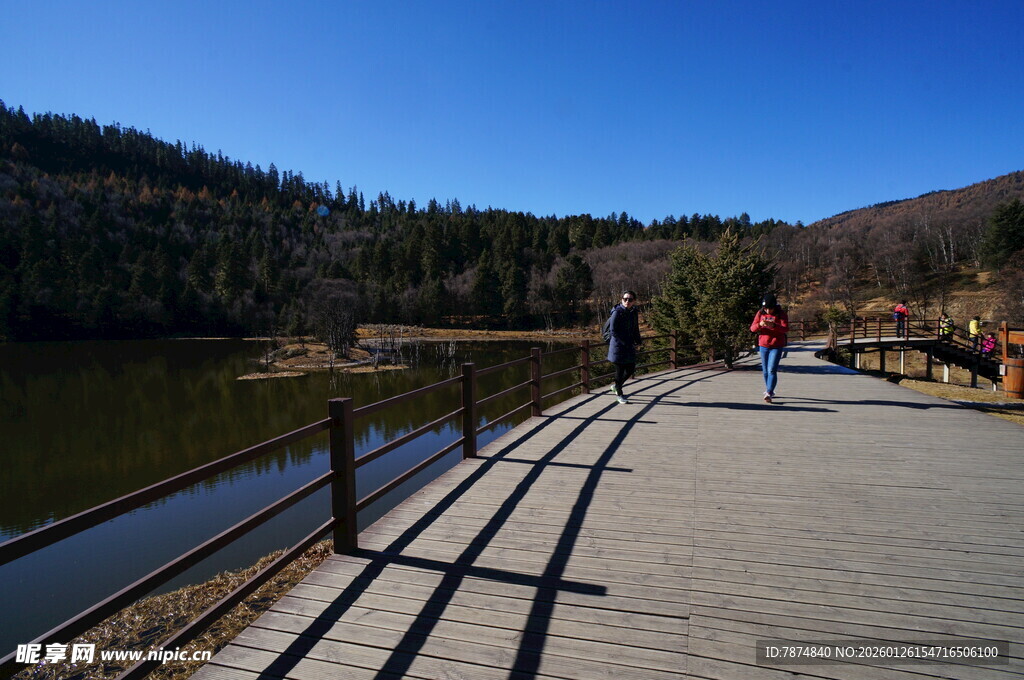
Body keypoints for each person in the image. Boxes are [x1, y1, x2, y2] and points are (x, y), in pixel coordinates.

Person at [750, 292, 789, 404]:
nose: (768, 311)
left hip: (776, 346)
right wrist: (760, 325)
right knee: (765, 371)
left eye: (770, 309)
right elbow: (752, 328)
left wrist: (775, 326)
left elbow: (785, 329)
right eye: (766, 309)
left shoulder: (781, 314)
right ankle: (769, 390)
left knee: (772, 369)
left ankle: (769, 392)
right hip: (763, 345)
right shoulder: (760, 313)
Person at [606, 290, 643, 405]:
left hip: (628, 345)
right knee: (620, 370)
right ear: (621, 300)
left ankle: (616, 386)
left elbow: (635, 328)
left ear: (634, 301)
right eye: (625, 299)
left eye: (630, 299)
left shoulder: (633, 312)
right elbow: (613, 331)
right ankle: (620, 394)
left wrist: (638, 341)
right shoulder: (617, 312)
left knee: (631, 369)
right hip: (617, 346)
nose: (627, 301)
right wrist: (624, 342)